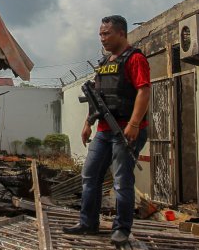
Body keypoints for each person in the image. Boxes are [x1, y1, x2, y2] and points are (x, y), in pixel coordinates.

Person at [63, 15, 150, 246]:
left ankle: (121, 229)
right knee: (90, 175)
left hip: (126, 130)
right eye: (100, 34)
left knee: (121, 180)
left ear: (121, 33)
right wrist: (87, 123)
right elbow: (97, 98)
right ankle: (87, 223)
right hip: (103, 130)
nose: (102, 38)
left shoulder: (135, 59)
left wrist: (133, 124)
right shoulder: (104, 63)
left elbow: (144, 91)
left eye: (107, 33)